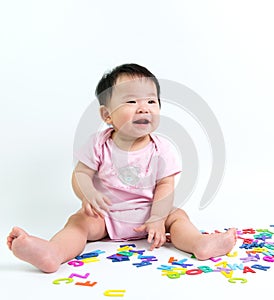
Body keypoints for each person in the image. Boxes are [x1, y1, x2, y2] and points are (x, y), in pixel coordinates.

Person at [7, 63, 236, 273]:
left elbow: (166, 185)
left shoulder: (161, 149)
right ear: (107, 115)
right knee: (79, 223)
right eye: (131, 101)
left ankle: (199, 244)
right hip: (105, 215)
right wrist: (87, 193)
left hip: (149, 214)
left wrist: (158, 217)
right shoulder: (98, 144)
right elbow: (81, 174)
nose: (143, 108)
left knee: (178, 217)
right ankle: (53, 253)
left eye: (151, 101)